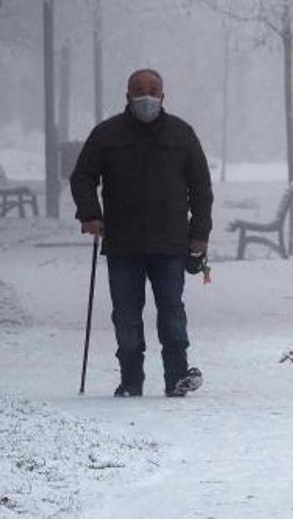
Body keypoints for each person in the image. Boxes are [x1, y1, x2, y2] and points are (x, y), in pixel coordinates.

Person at [70, 69, 213, 398]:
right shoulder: (107, 135)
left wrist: (199, 235)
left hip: (171, 242)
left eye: (152, 90)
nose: (146, 96)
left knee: (172, 310)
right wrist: (90, 215)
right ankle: (131, 380)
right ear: (127, 96)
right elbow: (82, 177)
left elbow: (201, 188)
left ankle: (177, 375)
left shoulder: (182, 134)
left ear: (163, 95)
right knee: (126, 315)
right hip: (123, 242)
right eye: (139, 90)